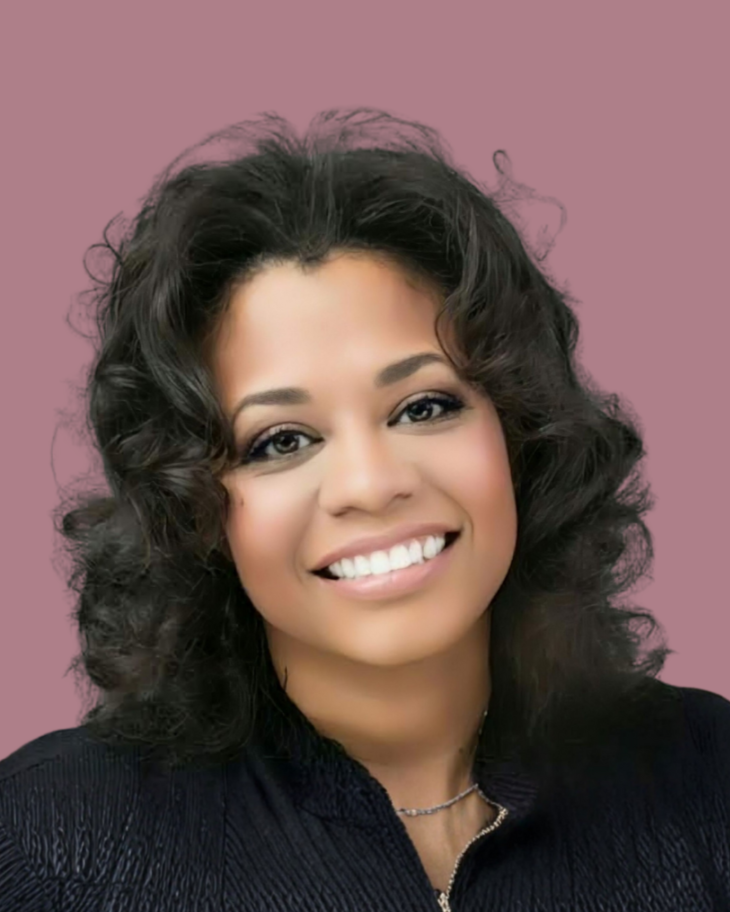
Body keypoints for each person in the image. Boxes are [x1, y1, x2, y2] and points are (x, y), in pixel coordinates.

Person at [1, 107, 728, 912]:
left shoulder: (707, 780)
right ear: (194, 508)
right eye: (280, 441)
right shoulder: (50, 842)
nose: (371, 484)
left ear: (519, 433)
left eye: (423, 408)